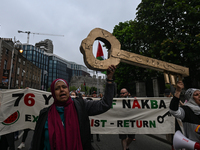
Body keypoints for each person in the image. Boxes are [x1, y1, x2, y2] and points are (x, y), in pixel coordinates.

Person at [30, 65, 116, 150]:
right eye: (57, 88)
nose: (62, 90)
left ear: (68, 90)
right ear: (53, 93)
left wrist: (109, 79)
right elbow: (36, 142)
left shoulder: (81, 106)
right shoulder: (45, 114)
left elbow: (105, 104)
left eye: (64, 87)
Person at [169, 81, 200, 148]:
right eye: (196, 95)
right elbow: (174, 111)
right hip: (193, 146)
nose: (199, 96)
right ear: (190, 98)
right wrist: (178, 91)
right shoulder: (186, 110)